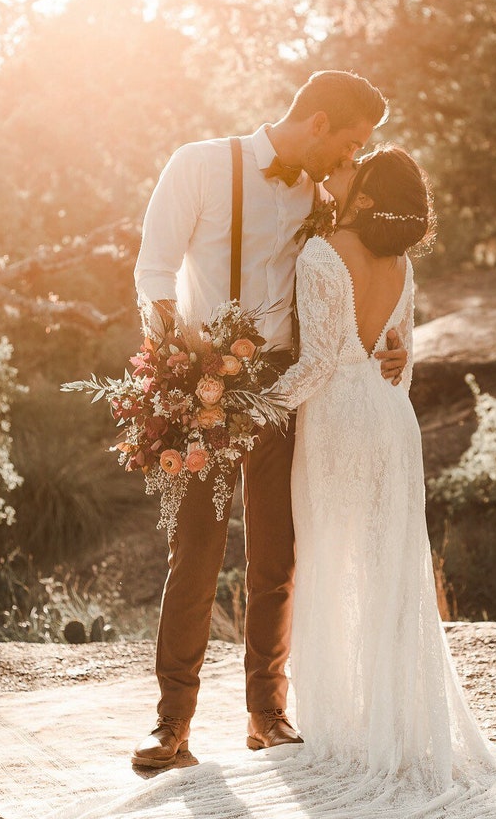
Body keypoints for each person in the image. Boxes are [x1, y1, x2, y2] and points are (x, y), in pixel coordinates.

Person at [36, 146, 496, 819]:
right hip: (392, 422)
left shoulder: (325, 249)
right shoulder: (401, 264)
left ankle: (294, 718)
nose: (344, 167)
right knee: (388, 572)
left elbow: (322, 362)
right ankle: (384, 730)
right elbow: (404, 358)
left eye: (358, 163)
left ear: (366, 191)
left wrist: (249, 409)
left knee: (317, 565)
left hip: (322, 417)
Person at [131, 71, 407, 769]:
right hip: (205, 382)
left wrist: (386, 340)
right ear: (317, 124)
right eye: (349, 142)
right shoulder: (197, 164)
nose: (352, 159)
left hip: (289, 385)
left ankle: (266, 713)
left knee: (277, 554)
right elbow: (155, 272)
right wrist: (183, 358)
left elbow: (349, 282)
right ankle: (173, 725)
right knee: (194, 550)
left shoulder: (324, 197)